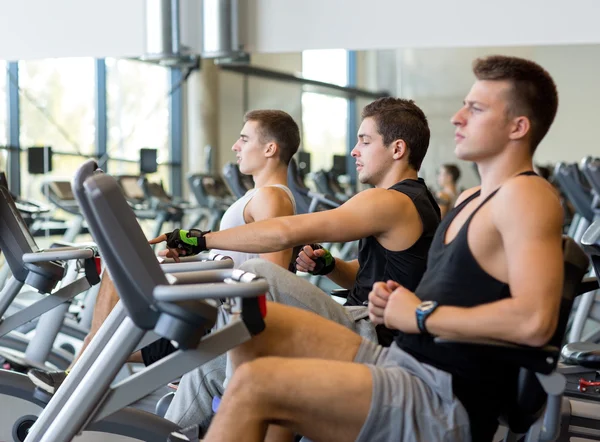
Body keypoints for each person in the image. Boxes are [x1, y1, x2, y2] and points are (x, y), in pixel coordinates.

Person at [197, 55, 564, 442]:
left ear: (518, 127)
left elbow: (534, 321)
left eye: (475, 108)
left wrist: (420, 314)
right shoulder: (473, 198)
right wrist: (394, 299)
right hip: (404, 359)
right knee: (259, 330)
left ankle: (227, 406)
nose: (457, 118)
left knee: (256, 374)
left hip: (440, 396)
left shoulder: (526, 194)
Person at [154, 97, 441, 429]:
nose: (353, 151)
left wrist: (199, 240)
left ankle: (247, 393)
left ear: (397, 149)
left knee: (257, 274)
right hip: (363, 320)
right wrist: (330, 265)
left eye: (364, 140)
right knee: (205, 364)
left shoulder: (390, 200)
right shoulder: (413, 199)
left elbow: (284, 233)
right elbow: (367, 276)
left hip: (374, 334)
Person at [27, 109, 300, 393]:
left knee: (119, 273)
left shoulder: (272, 197)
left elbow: (271, 279)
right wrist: (194, 260)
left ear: (270, 148)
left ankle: (79, 373)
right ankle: (82, 369)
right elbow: (245, 258)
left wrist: (203, 275)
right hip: (216, 297)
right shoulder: (258, 195)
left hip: (223, 312)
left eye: (244, 139)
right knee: (118, 269)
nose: (235, 146)